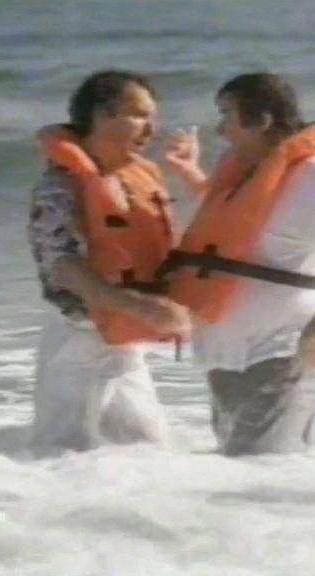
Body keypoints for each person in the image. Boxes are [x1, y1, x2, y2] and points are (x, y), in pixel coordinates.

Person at [163, 72, 315, 455]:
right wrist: (192, 176)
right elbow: (229, 231)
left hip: (282, 352)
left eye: (227, 115)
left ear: (262, 121)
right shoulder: (239, 171)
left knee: (262, 466)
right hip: (223, 355)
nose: (220, 129)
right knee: (238, 470)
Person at [27, 70, 190, 453]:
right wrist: (139, 306)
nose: (152, 128)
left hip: (125, 342)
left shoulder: (141, 175)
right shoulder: (61, 185)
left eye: (153, 117)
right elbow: (62, 265)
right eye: (140, 115)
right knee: (62, 459)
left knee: (150, 451)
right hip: (78, 342)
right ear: (102, 116)